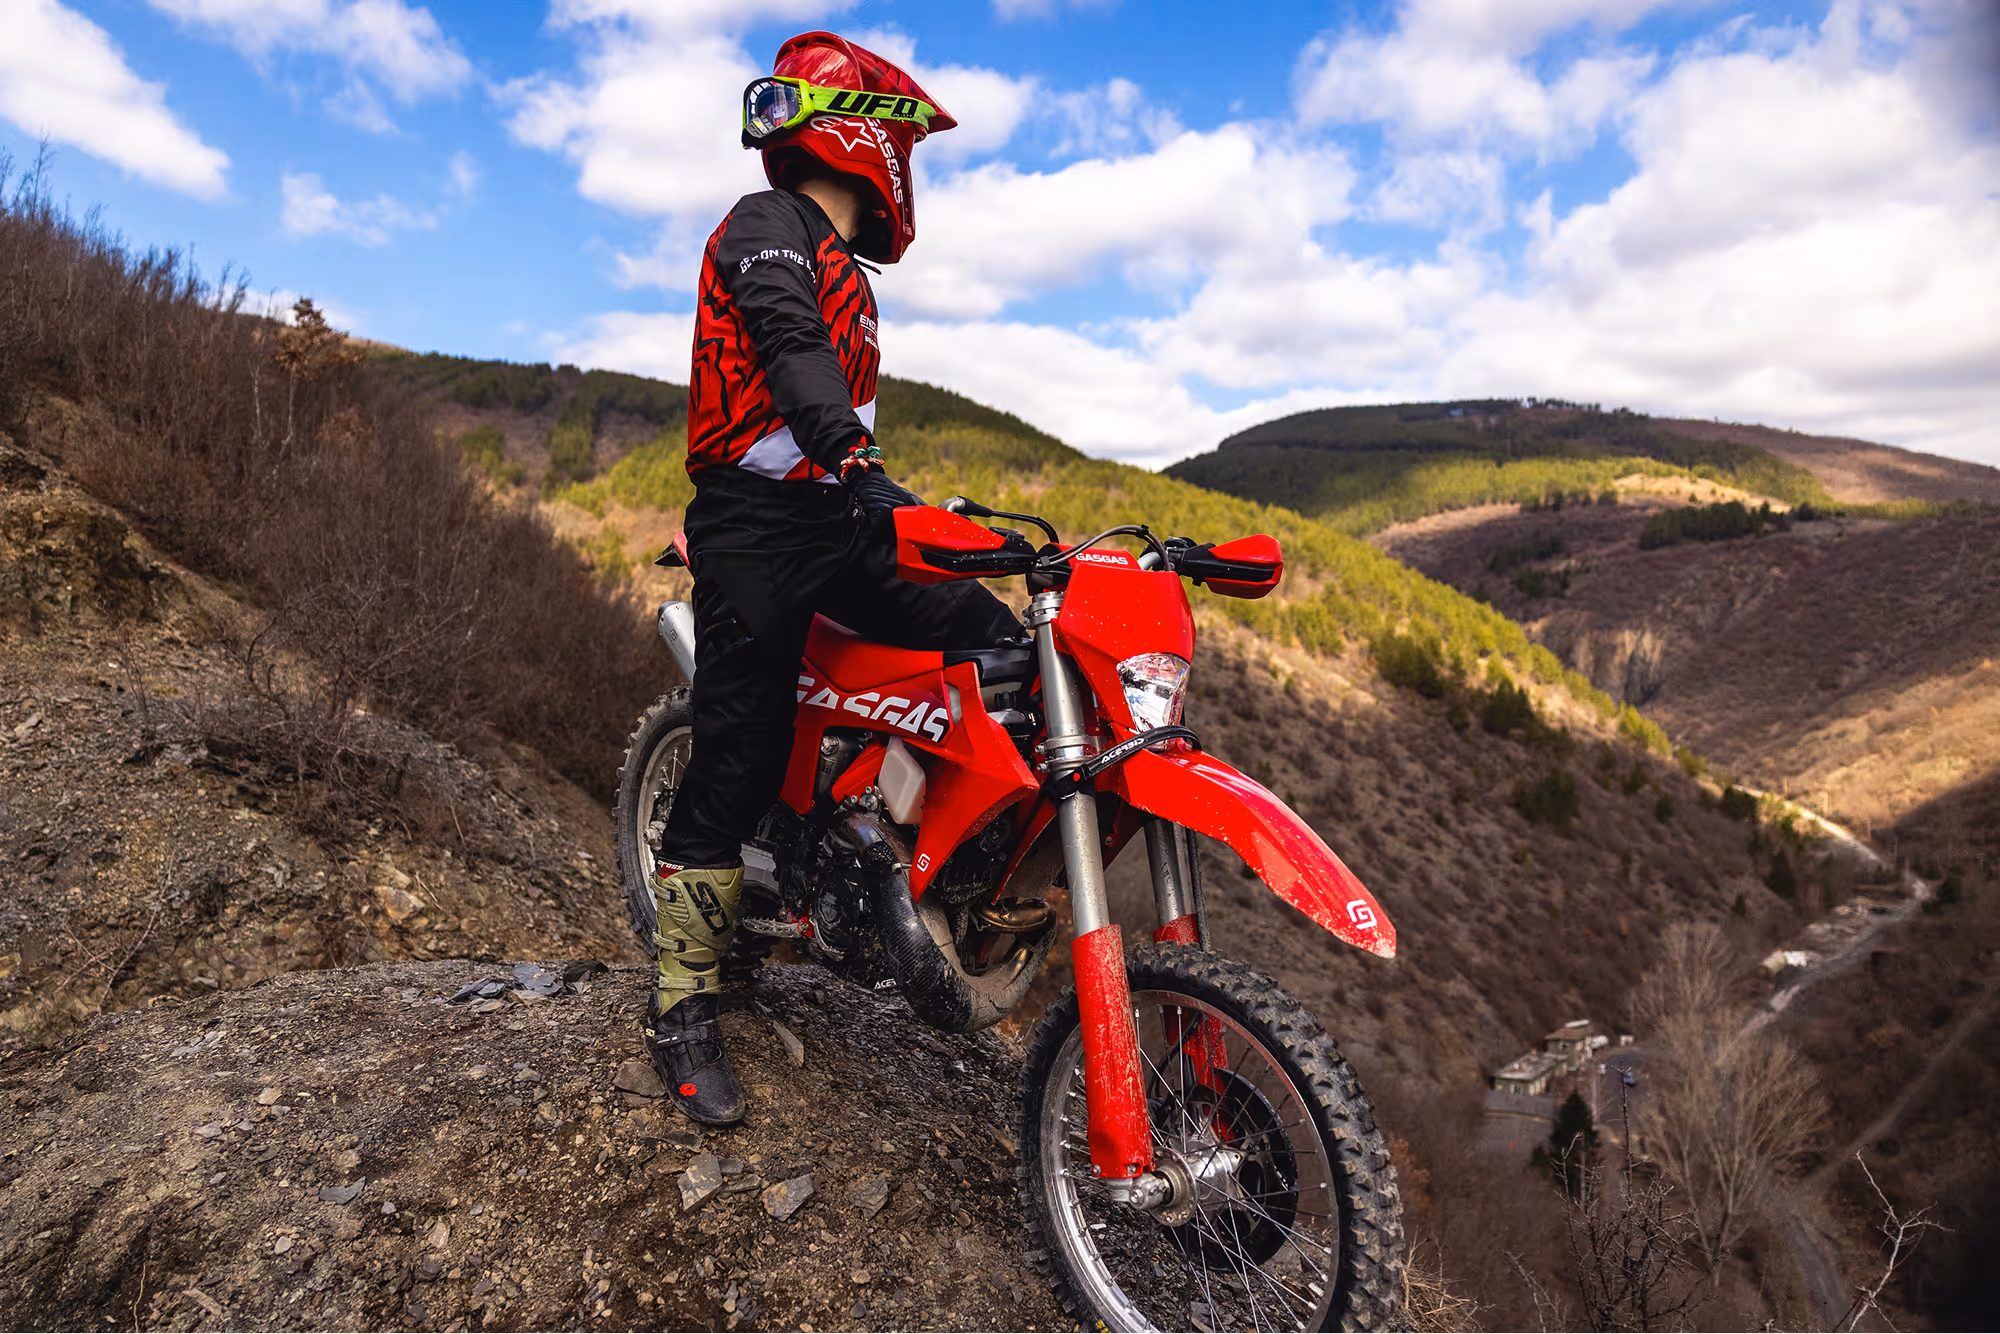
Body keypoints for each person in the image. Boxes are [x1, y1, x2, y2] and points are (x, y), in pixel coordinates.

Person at [645, 31, 1023, 1125]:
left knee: (991, 640)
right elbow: (786, 345)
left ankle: (922, 861)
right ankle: (681, 1002)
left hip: (838, 512)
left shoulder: (842, 261)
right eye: (908, 143)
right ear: (865, 137)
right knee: (737, 746)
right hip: (757, 526)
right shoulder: (767, 226)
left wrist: (894, 497)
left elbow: (823, 384)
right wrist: (856, 460)